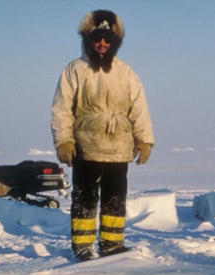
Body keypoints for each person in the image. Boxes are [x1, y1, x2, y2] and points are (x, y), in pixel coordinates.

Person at [51, 10, 154, 261]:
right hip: (87, 144)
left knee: (115, 196)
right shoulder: (74, 70)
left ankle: (112, 244)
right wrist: (64, 140)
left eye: (108, 39)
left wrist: (144, 139)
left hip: (119, 145)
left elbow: (138, 107)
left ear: (114, 41)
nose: (102, 44)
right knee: (85, 196)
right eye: (98, 38)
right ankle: (83, 246)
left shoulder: (125, 72)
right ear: (89, 38)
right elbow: (62, 108)